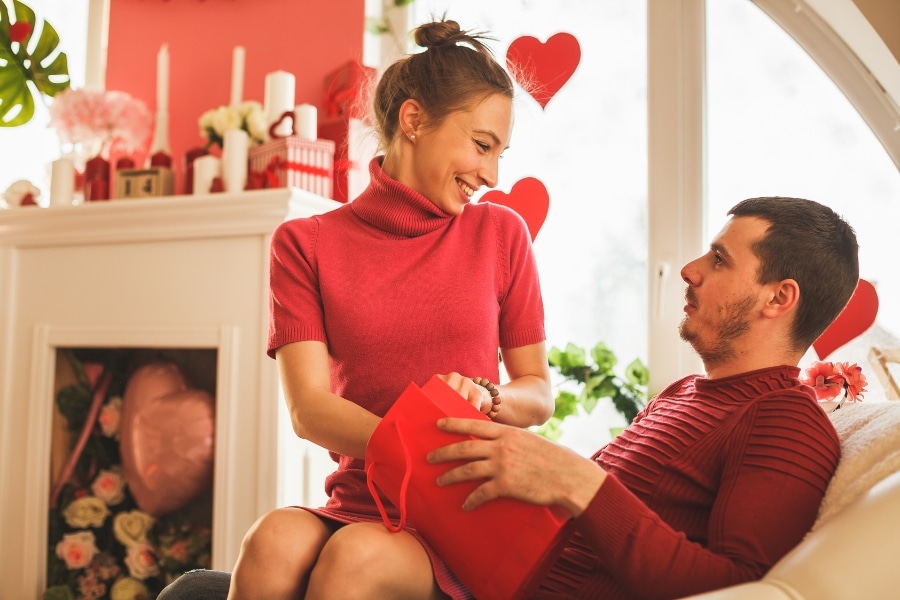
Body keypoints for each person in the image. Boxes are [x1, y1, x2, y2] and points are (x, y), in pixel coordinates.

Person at [199, 18, 551, 600]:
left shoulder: (500, 233)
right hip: (364, 498)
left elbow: (538, 391)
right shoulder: (305, 243)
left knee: (356, 557)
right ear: (413, 121)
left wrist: (490, 396)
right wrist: (417, 443)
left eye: (500, 154)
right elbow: (310, 409)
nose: (491, 175)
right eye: (482, 146)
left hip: (464, 505)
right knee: (272, 539)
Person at [424, 196, 858, 598]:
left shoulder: (785, 420)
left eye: (720, 259)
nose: (690, 269)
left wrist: (579, 482)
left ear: (778, 297)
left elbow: (740, 589)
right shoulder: (683, 393)